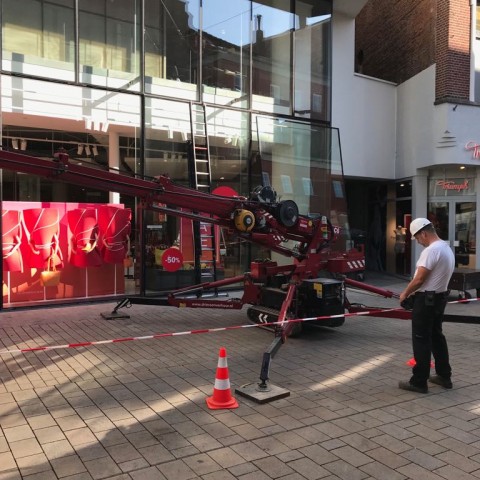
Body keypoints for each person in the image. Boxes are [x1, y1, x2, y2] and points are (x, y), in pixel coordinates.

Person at [398, 217, 455, 394]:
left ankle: (419, 381)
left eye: (418, 238)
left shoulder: (431, 251)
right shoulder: (446, 248)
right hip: (439, 299)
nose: (419, 242)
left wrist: (405, 293)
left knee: (421, 339)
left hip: (427, 301)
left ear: (423, 233)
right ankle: (444, 376)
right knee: (437, 336)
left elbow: (420, 279)